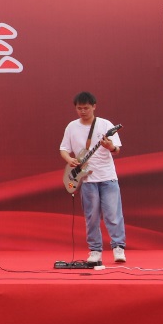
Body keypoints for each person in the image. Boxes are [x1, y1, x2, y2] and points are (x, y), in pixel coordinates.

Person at [59, 90, 125, 264]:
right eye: (79, 108)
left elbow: (116, 149)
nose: (83, 111)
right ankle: (95, 250)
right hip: (87, 179)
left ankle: (118, 247)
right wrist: (70, 160)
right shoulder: (72, 127)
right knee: (92, 217)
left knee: (113, 214)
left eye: (86, 108)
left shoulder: (105, 125)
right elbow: (63, 149)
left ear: (94, 107)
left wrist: (110, 146)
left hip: (108, 176)